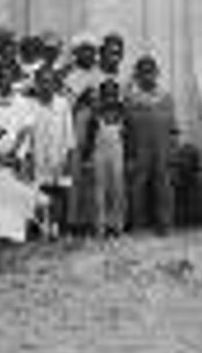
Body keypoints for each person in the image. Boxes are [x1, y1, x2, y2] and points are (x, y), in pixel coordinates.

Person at [0, 62, 43, 244]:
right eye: (0, 76)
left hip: (15, 158)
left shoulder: (22, 103)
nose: (4, 80)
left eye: (8, 76)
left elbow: (25, 130)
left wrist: (13, 153)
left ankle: (14, 233)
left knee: (14, 191)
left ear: (14, 79)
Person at [125, 56, 177, 234]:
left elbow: (173, 127)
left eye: (151, 72)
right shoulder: (131, 99)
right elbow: (126, 130)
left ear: (157, 73)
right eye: (143, 72)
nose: (147, 76)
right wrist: (129, 154)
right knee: (138, 186)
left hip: (162, 149)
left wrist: (173, 150)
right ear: (137, 75)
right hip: (139, 149)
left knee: (163, 185)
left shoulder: (166, 98)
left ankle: (165, 224)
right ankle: (138, 224)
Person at [27, 66, 74, 240]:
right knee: (42, 192)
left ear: (55, 84)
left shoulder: (63, 104)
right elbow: (28, 136)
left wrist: (67, 158)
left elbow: (69, 135)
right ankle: (43, 228)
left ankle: (58, 227)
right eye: (42, 82)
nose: (46, 85)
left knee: (60, 192)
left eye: (49, 81)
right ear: (37, 84)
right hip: (39, 156)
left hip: (58, 155)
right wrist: (29, 158)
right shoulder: (30, 105)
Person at [61, 35, 102, 234]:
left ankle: (92, 220)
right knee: (75, 172)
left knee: (94, 173)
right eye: (83, 50)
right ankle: (73, 220)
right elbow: (65, 105)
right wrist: (80, 99)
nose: (88, 54)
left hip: (98, 124)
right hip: (77, 122)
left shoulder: (99, 74)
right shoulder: (70, 75)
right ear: (76, 53)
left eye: (91, 51)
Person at [84, 80, 128, 237]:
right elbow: (89, 138)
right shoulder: (95, 113)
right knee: (99, 189)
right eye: (106, 94)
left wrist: (130, 157)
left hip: (117, 152)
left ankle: (117, 225)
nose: (110, 97)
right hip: (99, 153)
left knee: (117, 189)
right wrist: (86, 158)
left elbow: (128, 137)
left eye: (113, 94)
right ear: (101, 96)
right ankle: (100, 226)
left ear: (117, 95)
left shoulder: (123, 112)